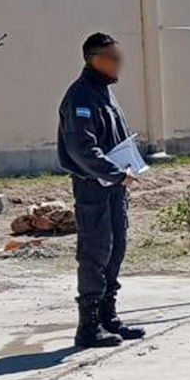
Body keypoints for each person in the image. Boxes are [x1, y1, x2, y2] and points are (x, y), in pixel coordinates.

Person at [57, 33, 145, 348]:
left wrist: (126, 171)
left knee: (115, 248)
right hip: (94, 187)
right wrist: (113, 173)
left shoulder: (104, 93)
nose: (120, 64)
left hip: (115, 187)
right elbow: (82, 148)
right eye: (114, 57)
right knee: (95, 252)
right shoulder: (81, 95)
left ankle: (109, 317)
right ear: (95, 58)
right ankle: (89, 326)